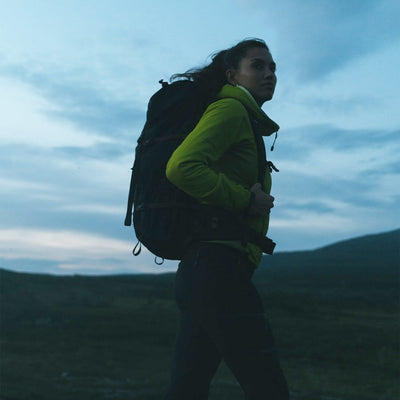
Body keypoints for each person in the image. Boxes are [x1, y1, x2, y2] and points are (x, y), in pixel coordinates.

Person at [164, 39, 290, 400]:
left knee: (187, 388)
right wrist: (245, 201)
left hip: (206, 271)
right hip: (218, 271)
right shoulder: (230, 111)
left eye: (273, 68)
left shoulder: (243, 117)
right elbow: (182, 167)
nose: (269, 74)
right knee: (268, 387)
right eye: (258, 66)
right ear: (233, 76)